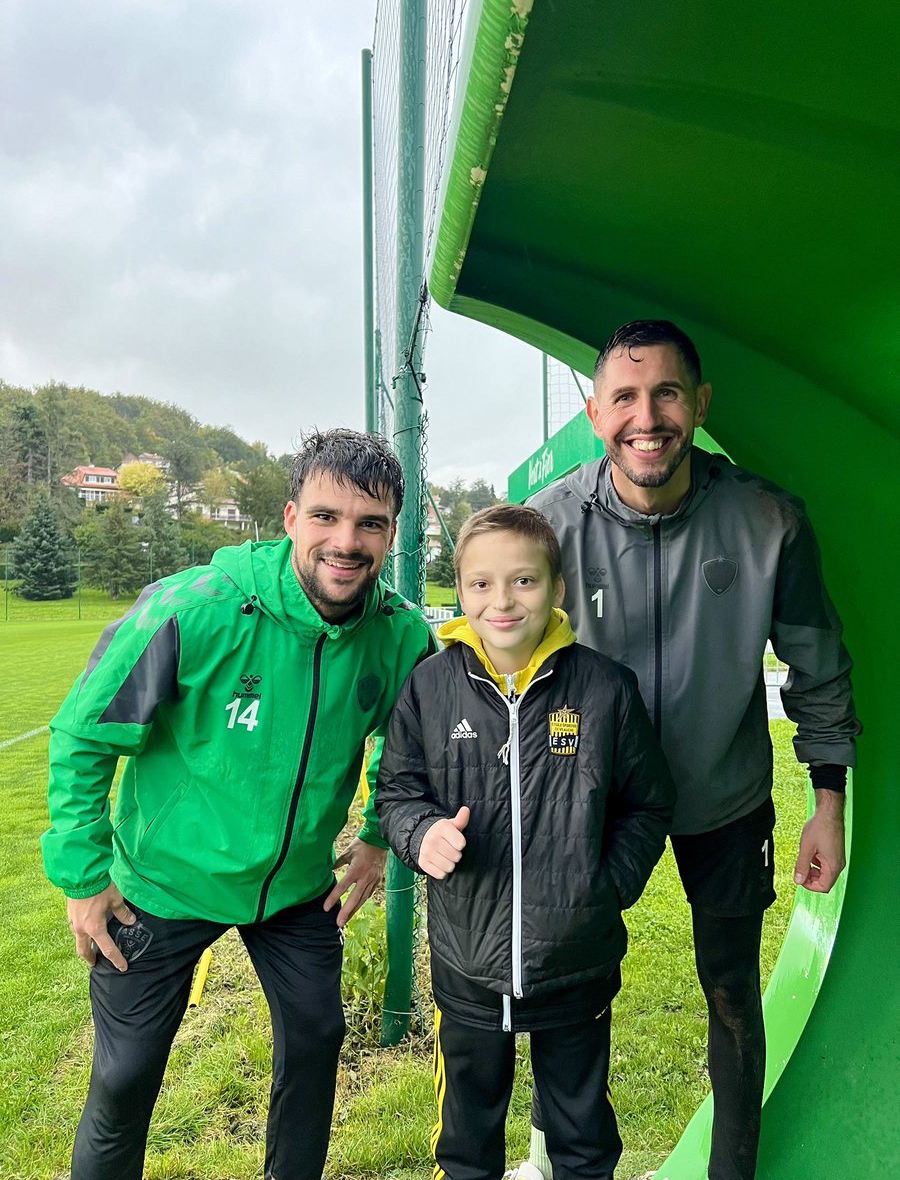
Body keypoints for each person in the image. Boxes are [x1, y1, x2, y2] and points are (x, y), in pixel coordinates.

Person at [41, 427, 435, 1180]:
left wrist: (382, 834)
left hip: (294, 892)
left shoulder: (400, 634)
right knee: (122, 1084)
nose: (345, 542)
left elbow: (407, 746)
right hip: (162, 885)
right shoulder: (198, 608)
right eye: (325, 517)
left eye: (369, 523)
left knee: (318, 1045)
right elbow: (85, 734)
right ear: (289, 517)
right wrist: (85, 879)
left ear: (391, 532)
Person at [517, 320, 860, 1180]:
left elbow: (817, 663)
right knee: (568, 993)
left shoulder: (769, 518)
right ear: (595, 413)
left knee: (733, 995)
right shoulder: (549, 526)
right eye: (625, 398)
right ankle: (569, 1161)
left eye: (667, 393)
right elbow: (505, 670)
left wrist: (828, 800)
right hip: (594, 805)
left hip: (726, 798)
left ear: (700, 405)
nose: (648, 416)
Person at [376, 504, 675, 1180]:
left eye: (524, 581)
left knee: (582, 1132)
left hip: (576, 962)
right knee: (467, 1136)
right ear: (460, 591)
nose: (501, 601)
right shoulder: (429, 687)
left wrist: (607, 887)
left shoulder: (605, 689)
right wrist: (419, 834)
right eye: (480, 584)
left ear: (558, 589)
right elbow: (396, 793)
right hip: (467, 964)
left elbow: (648, 803)